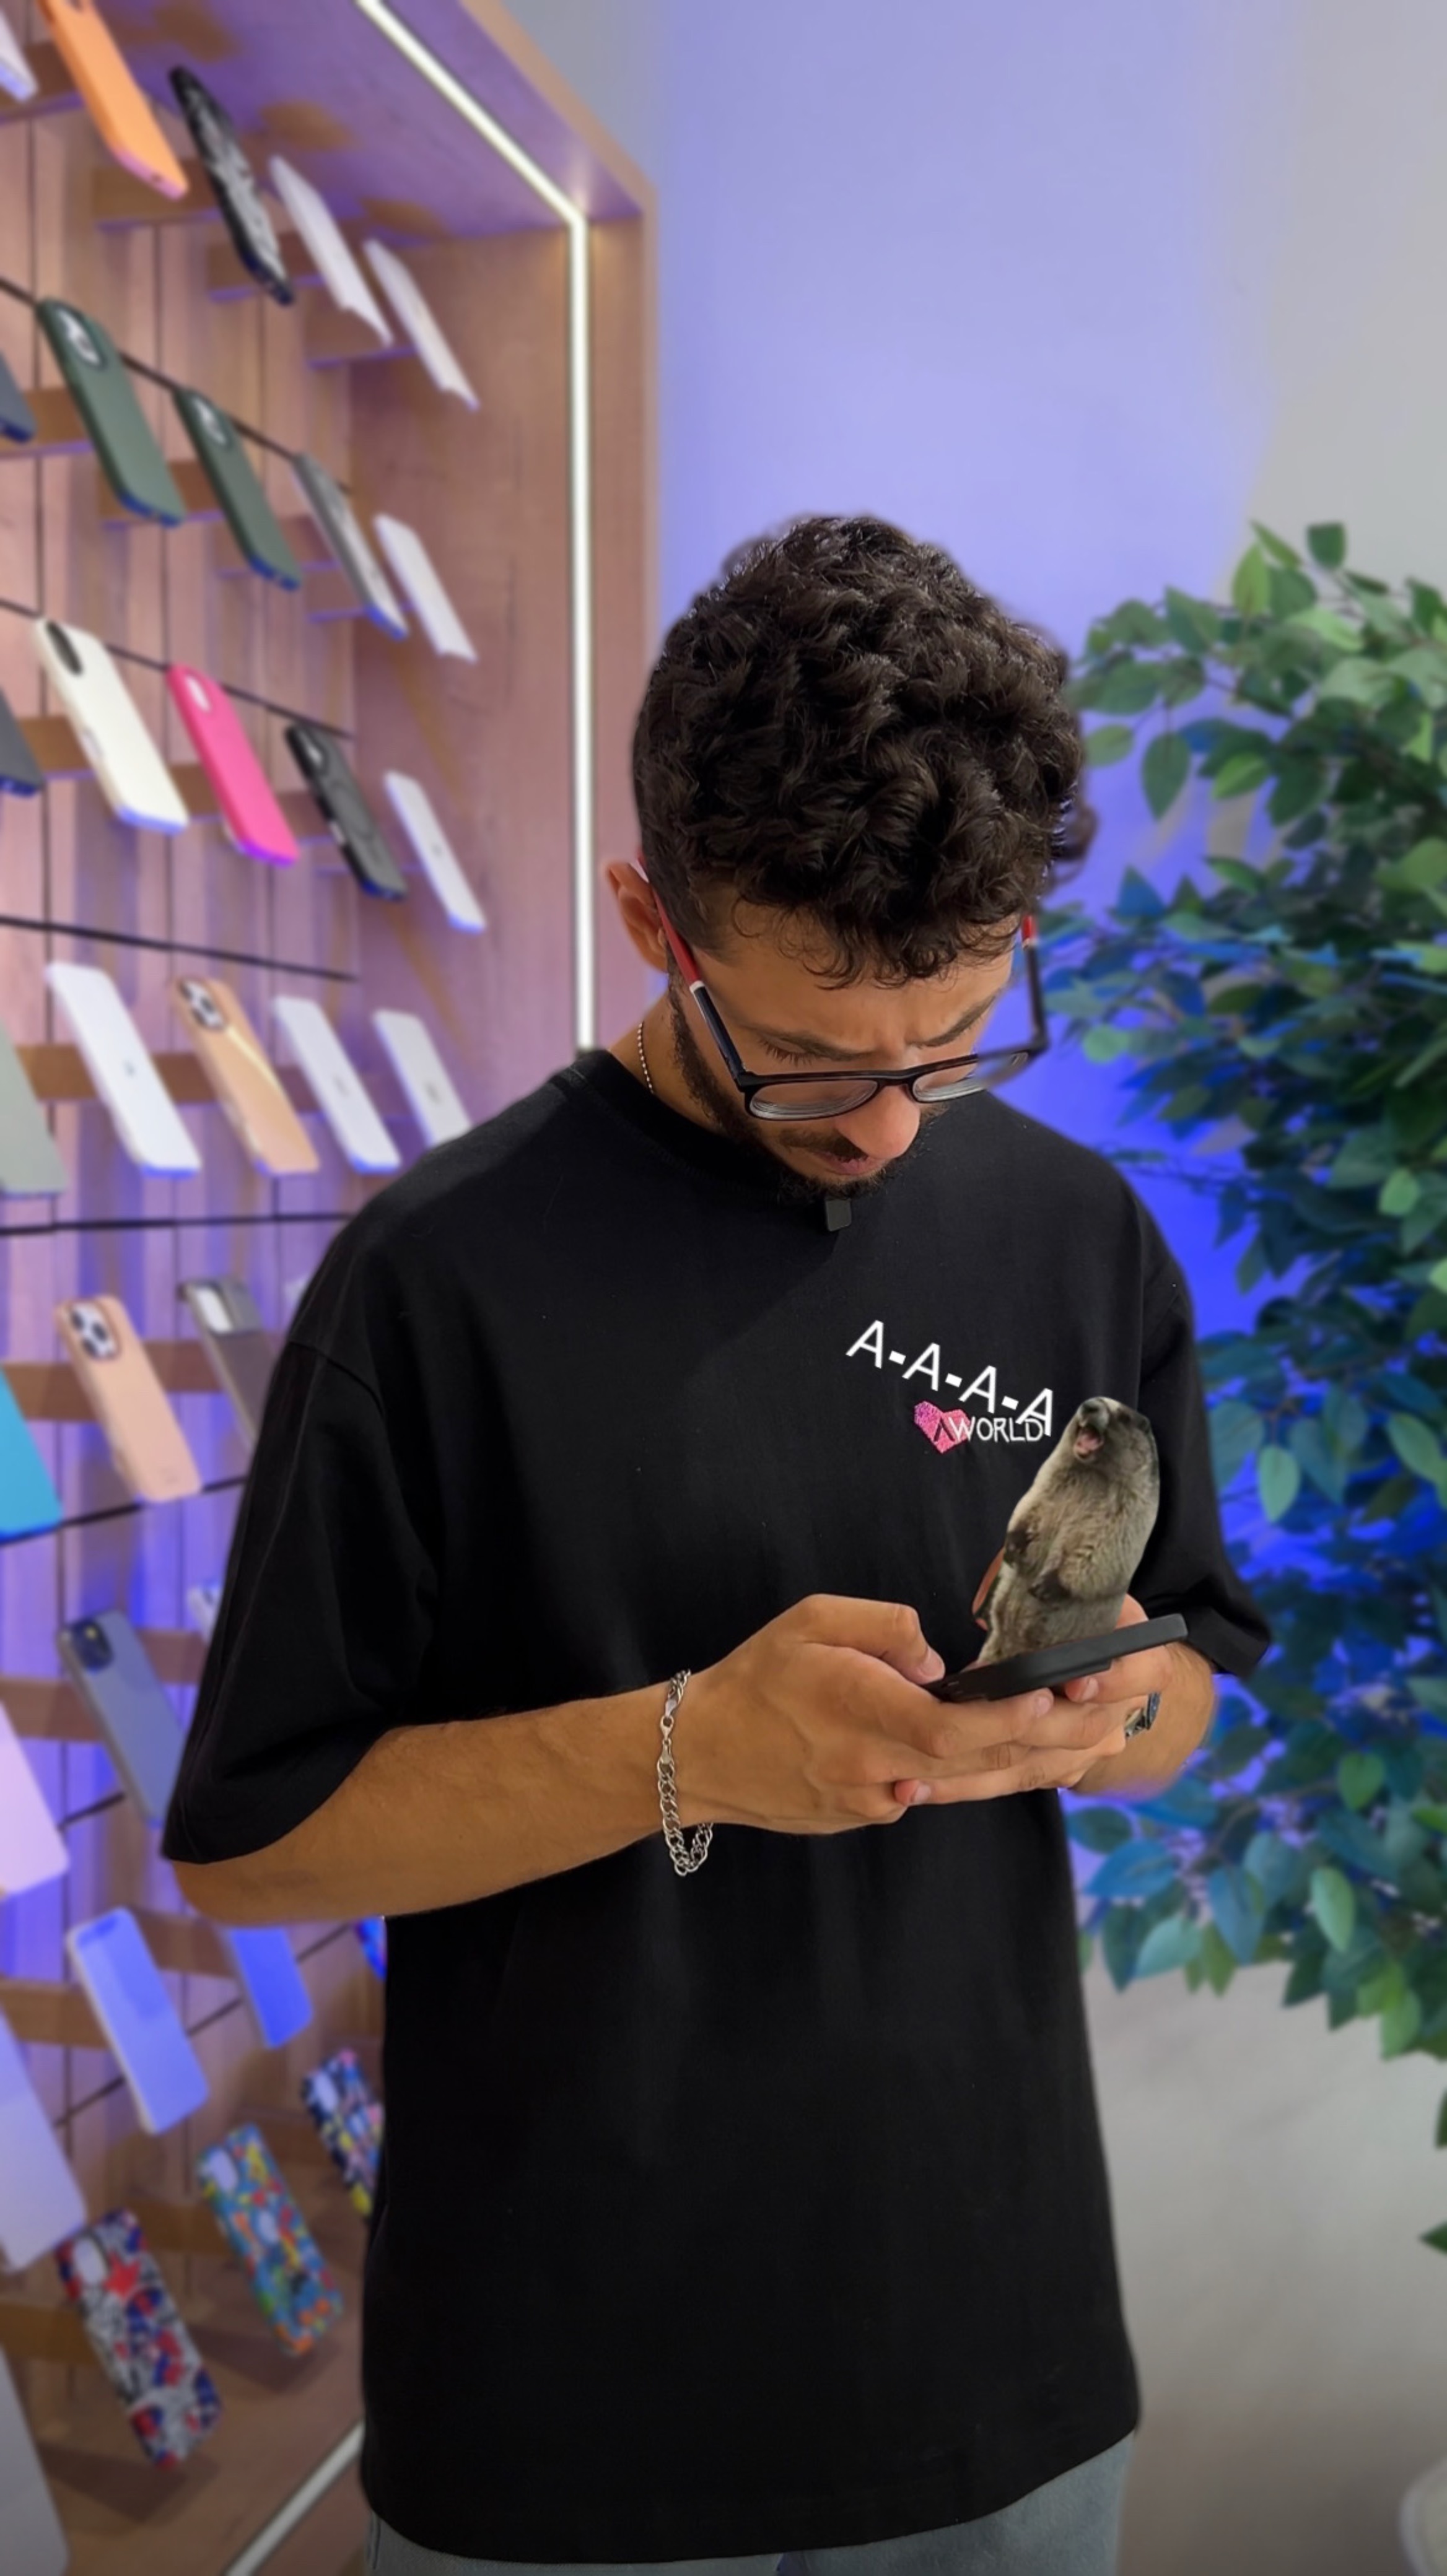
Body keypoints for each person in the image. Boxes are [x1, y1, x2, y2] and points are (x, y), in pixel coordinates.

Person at [165, 516, 1269, 2576]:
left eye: (956, 1039)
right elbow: (252, 1849)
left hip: (997, 2359)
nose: (891, 1125)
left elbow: (1190, 1671)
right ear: (648, 920)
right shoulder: (437, 1282)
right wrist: (687, 1752)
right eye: (818, 1062)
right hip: (574, 2407)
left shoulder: (1077, 1231)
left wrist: (1114, 1712)